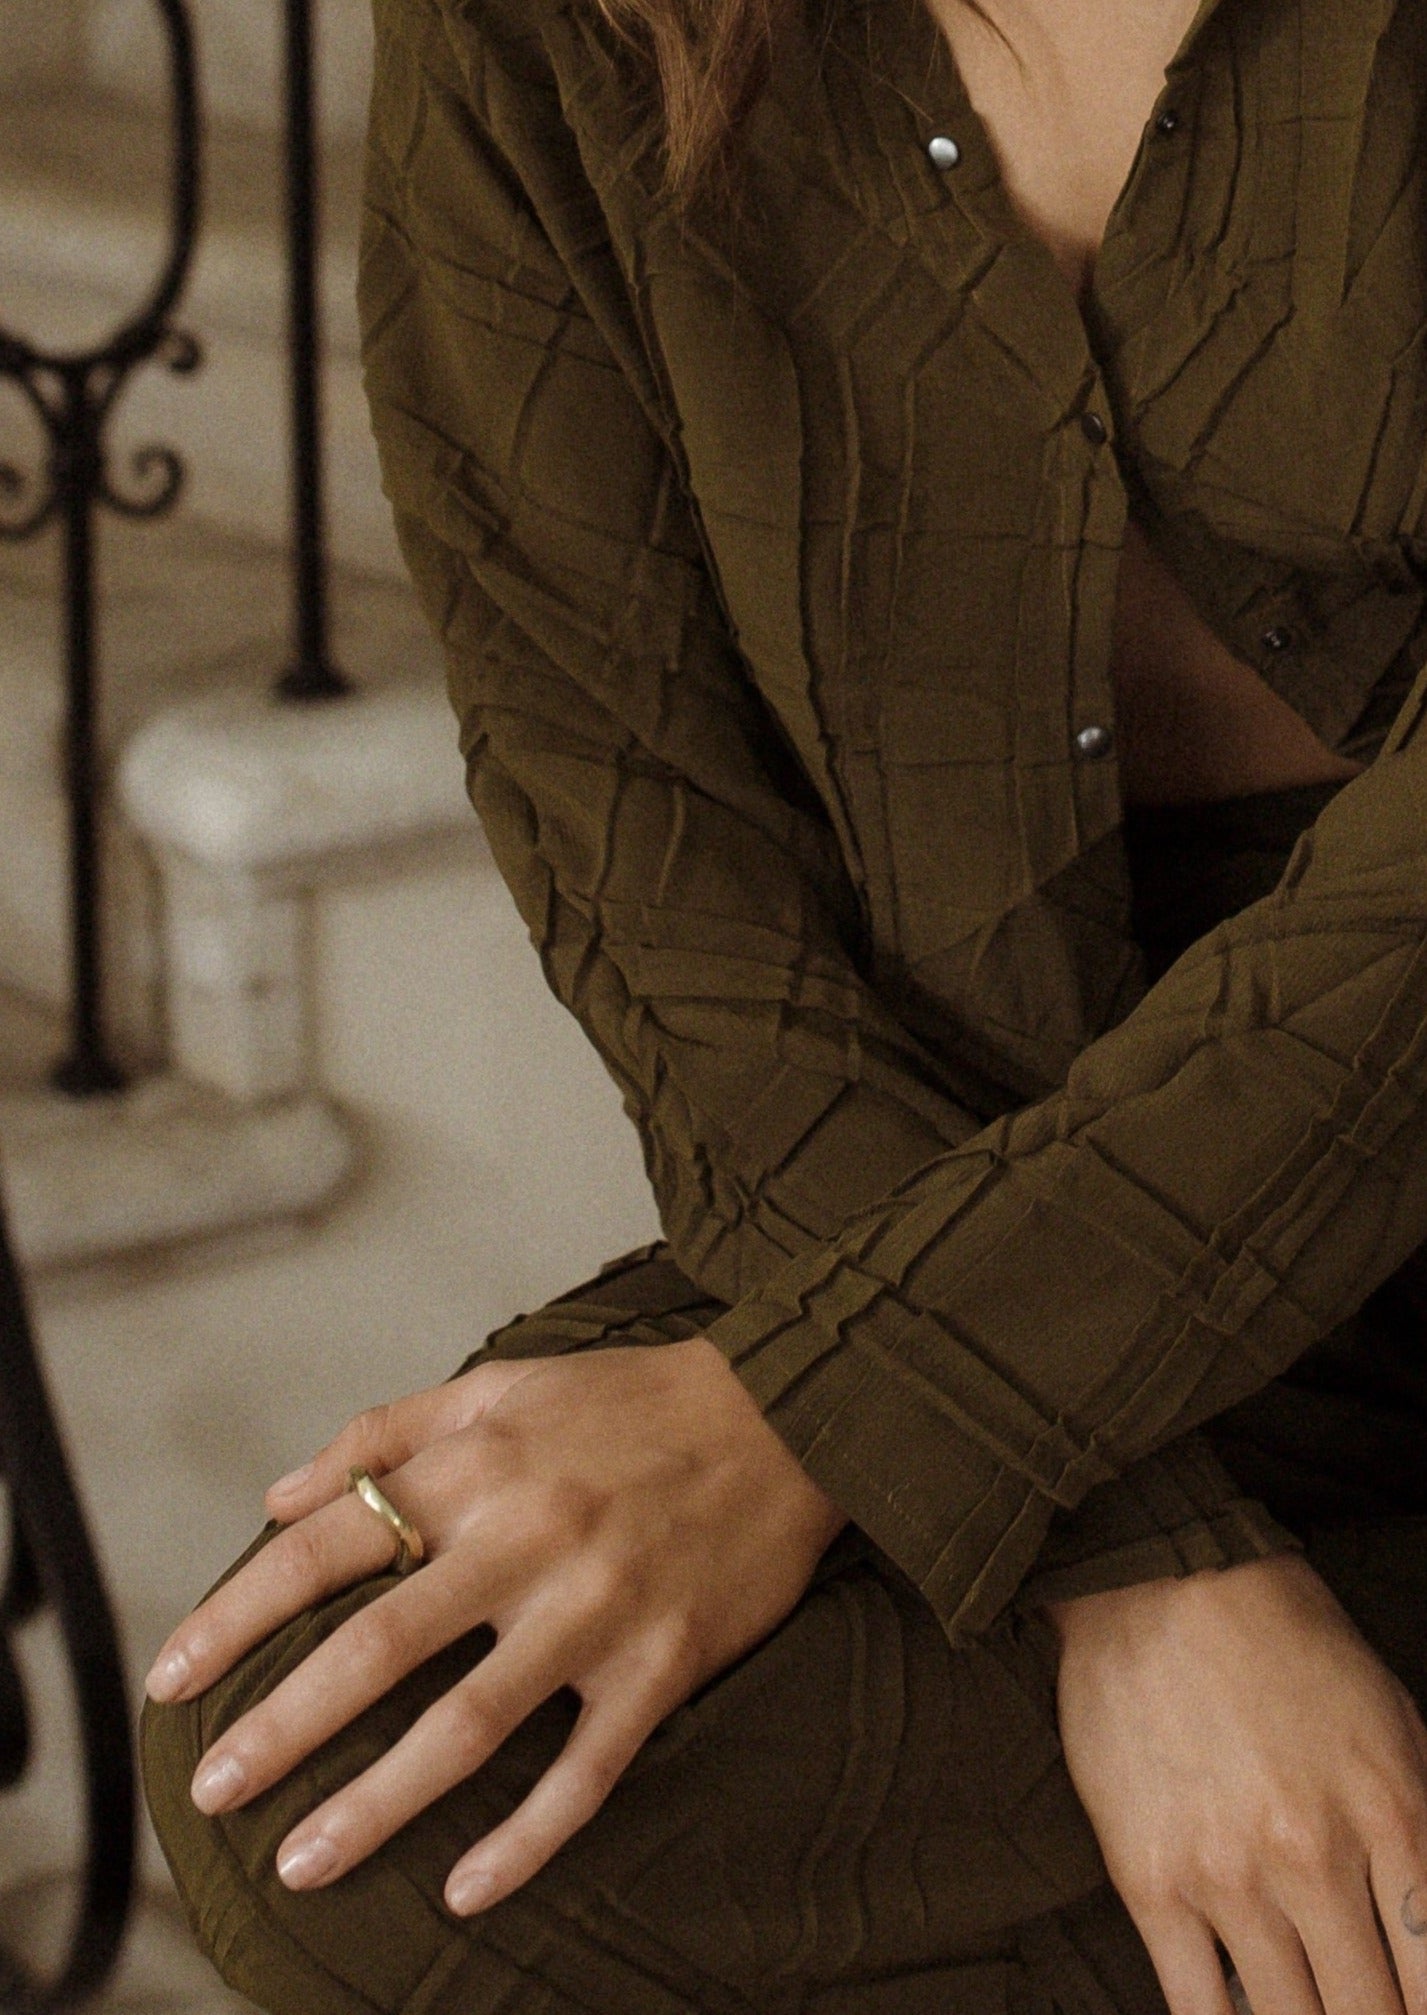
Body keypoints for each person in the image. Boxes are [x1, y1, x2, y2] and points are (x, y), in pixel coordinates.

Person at [140, 0, 1427, 2008]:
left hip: (1367, 1078)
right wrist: (1138, 1557)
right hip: (1003, 1157)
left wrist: (847, 1406)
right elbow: (645, 847)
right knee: (372, 1795)